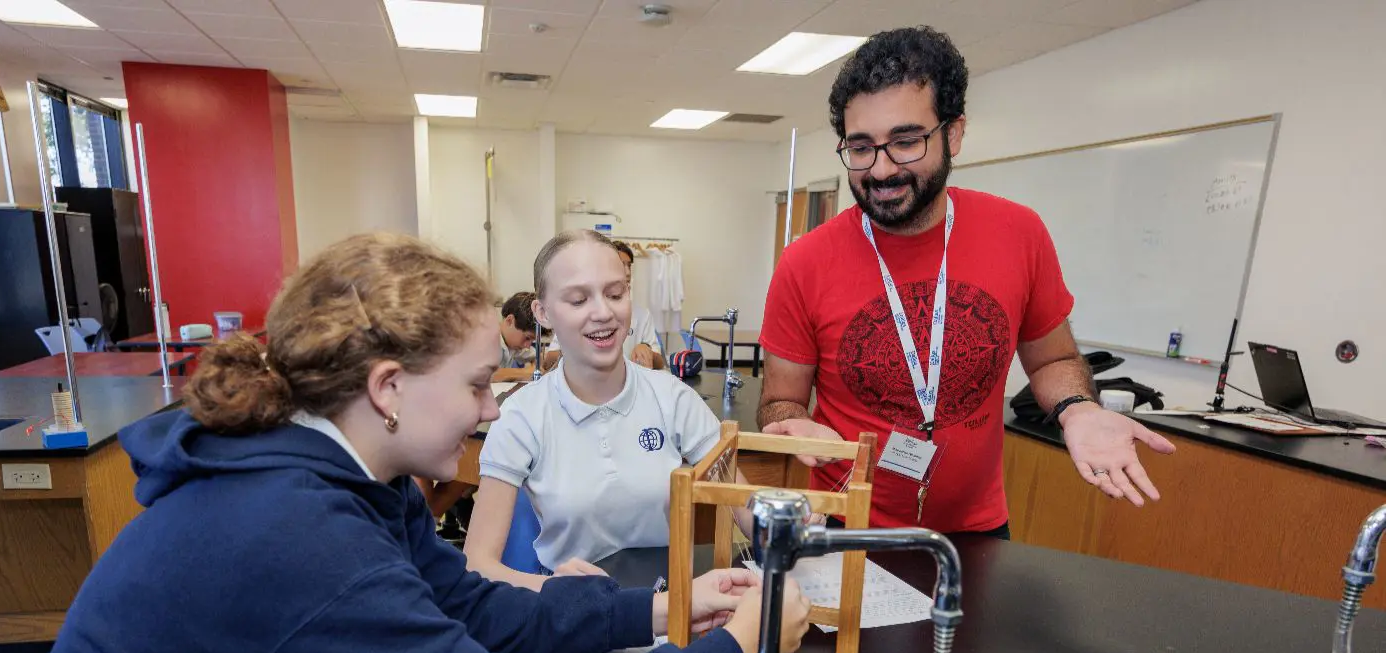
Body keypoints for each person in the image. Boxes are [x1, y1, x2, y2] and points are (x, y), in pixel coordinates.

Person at [0, 233, 812, 653]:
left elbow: (475, 612)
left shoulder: (359, 483)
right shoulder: (292, 541)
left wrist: (658, 608)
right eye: (479, 385)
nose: (493, 409)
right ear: (387, 390)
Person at [758, 27, 1175, 536]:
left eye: (907, 141)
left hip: (974, 532)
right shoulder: (805, 261)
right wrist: (789, 423)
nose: (882, 168)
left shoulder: (1018, 234)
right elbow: (780, 401)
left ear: (953, 133)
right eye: (861, 147)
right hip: (842, 524)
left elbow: (1055, 359)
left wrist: (1078, 409)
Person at [464, 230, 762, 589]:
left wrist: (789, 526)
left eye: (615, 294)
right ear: (542, 313)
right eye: (578, 300)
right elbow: (478, 566)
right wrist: (556, 592)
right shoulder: (521, 416)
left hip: (666, 603)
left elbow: (744, 506)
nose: (603, 313)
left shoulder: (671, 398)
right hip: (571, 612)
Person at [540, 240, 664, 372]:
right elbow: (549, 360)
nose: (627, 272)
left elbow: (660, 362)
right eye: (622, 264)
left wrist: (646, 350)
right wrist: (578, 351)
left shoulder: (642, 314)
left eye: (629, 265)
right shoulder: (577, 311)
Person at [497, 290, 538, 369]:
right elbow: (487, 375)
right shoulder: (486, 340)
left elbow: (537, 356)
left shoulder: (513, 345)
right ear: (510, 321)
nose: (528, 346)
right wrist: (525, 373)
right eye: (527, 338)